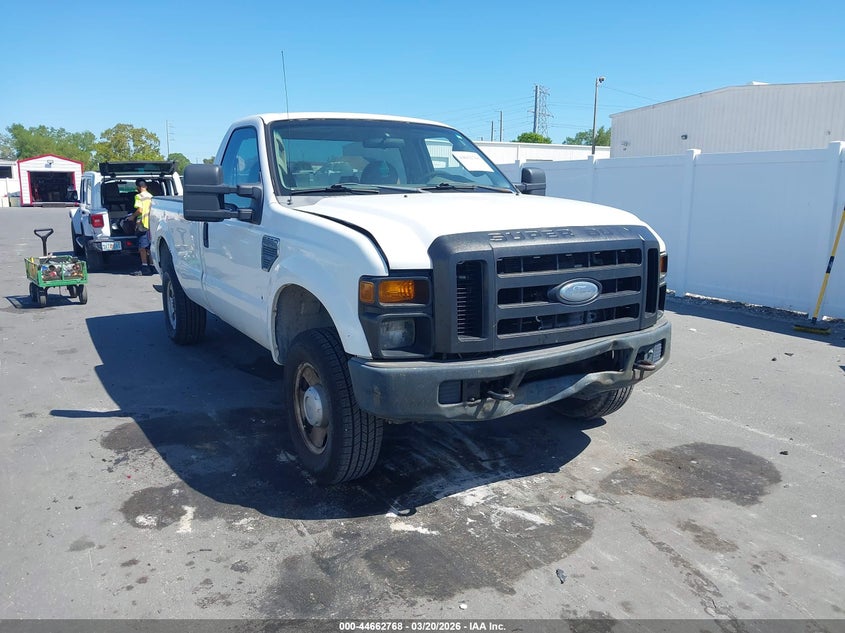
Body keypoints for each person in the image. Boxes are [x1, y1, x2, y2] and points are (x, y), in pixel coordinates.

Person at [128, 179, 154, 276]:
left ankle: (144, 267)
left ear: (138, 188)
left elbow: (140, 210)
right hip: (151, 223)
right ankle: (152, 265)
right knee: (150, 246)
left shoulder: (138, 196)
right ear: (146, 187)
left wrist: (132, 217)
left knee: (142, 246)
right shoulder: (151, 196)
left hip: (142, 223)